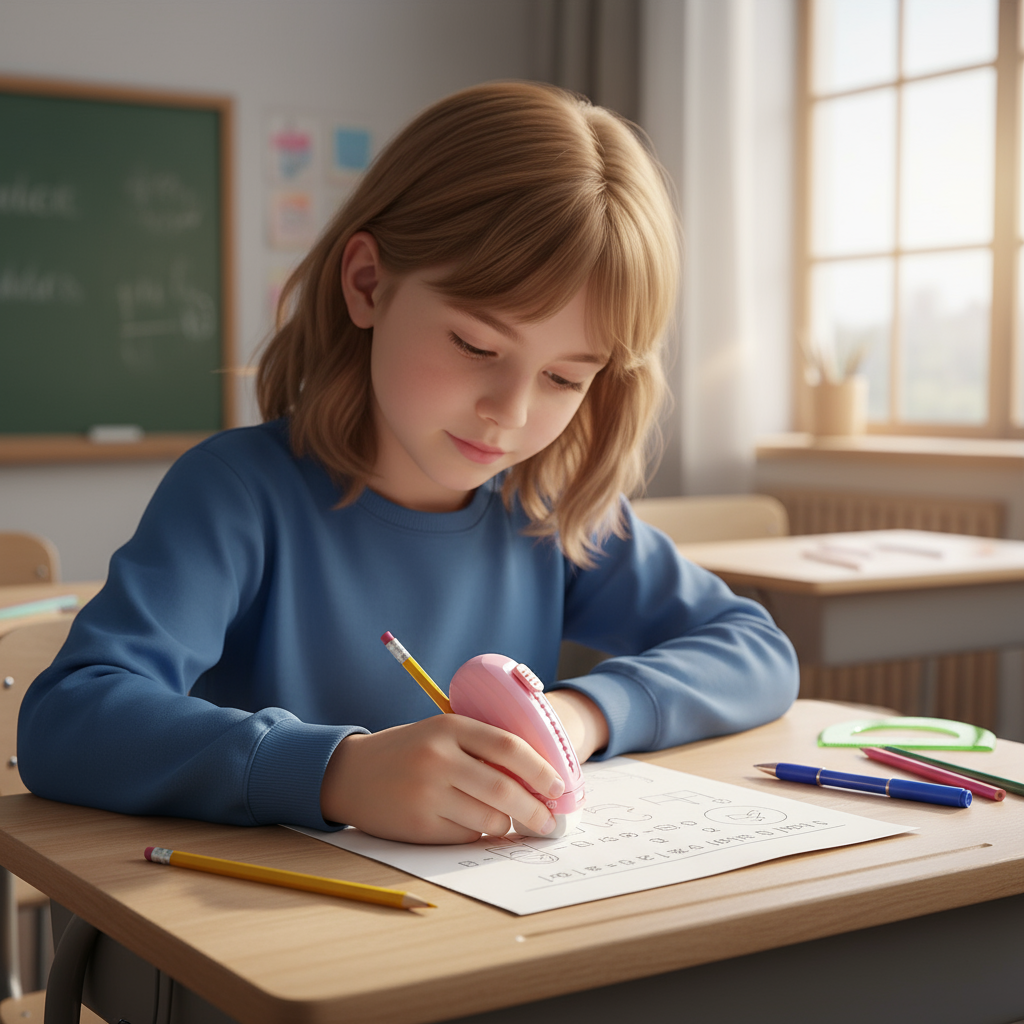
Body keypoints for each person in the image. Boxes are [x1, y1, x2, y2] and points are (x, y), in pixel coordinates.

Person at [18, 82, 798, 845]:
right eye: (475, 346)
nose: (512, 412)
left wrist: (578, 717)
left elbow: (756, 649)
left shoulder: (547, 506)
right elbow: (69, 718)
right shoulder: (237, 495)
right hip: (262, 941)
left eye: (565, 378)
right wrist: (336, 771)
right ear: (368, 284)